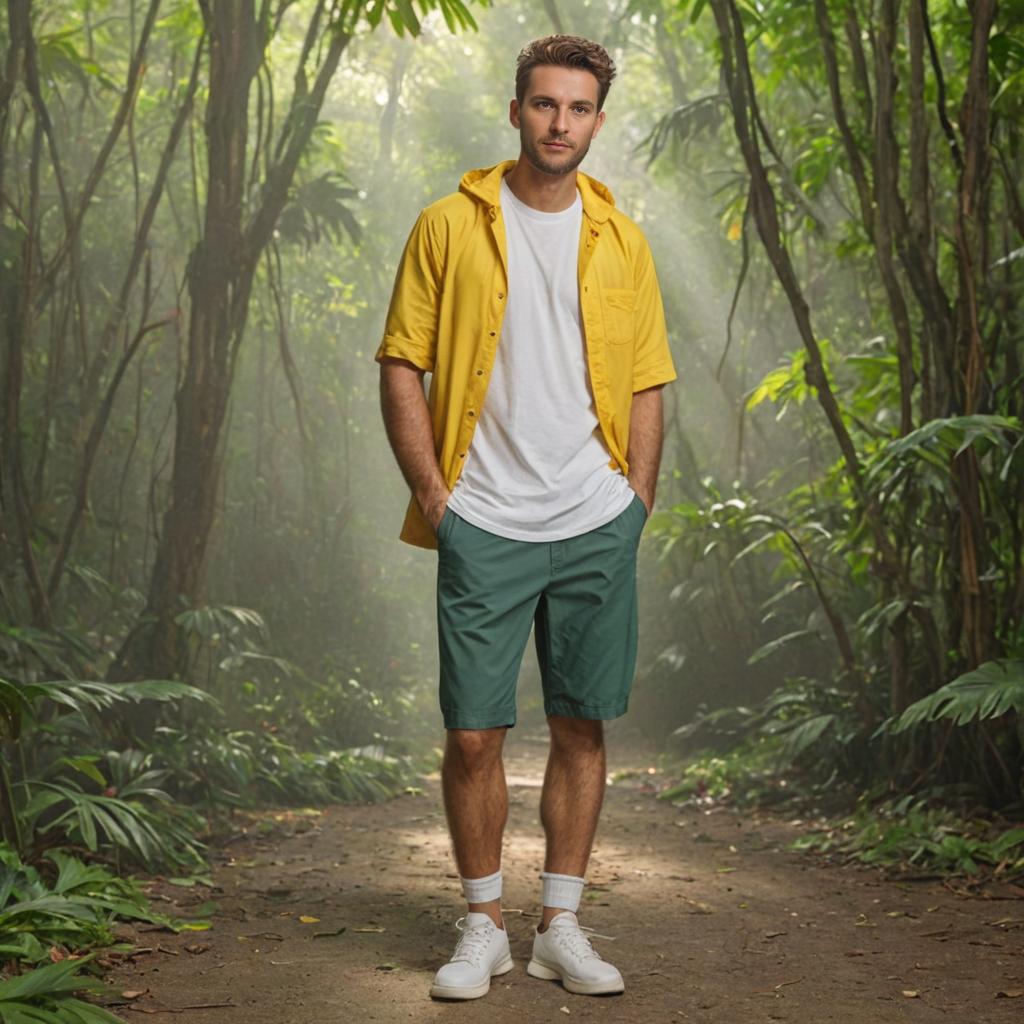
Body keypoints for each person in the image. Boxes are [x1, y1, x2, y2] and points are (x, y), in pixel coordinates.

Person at [375, 34, 676, 1001]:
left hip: (595, 516)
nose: (561, 123)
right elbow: (400, 364)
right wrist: (436, 499)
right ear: (516, 112)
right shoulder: (446, 225)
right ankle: (479, 927)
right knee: (473, 734)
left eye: (579, 108)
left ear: (596, 119)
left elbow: (649, 382)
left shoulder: (622, 238)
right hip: (485, 518)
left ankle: (560, 926)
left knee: (582, 726)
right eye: (545, 105)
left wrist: (636, 500)